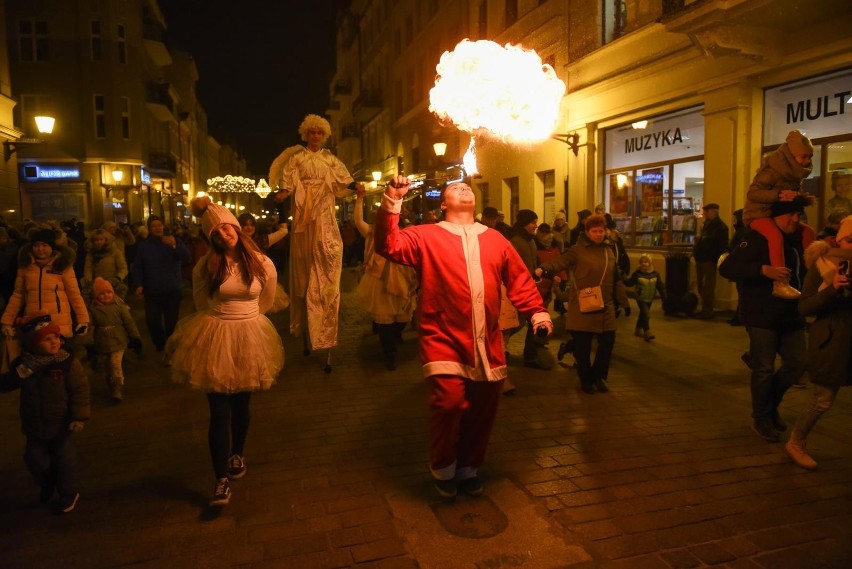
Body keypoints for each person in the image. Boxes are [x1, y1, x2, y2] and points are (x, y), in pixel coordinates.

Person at [375, 176, 552, 499]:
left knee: (483, 409)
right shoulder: (425, 235)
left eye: (467, 188)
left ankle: (469, 466)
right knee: (450, 402)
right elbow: (389, 246)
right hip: (443, 337)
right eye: (454, 189)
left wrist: (537, 313)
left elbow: (519, 280)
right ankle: (443, 466)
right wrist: (393, 200)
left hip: (488, 342)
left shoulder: (496, 239)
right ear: (443, 204)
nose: (463, 189)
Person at [166, 197, 284, 506]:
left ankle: (237, 453)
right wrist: (222, 320)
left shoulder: (261, 262)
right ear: (210, 237)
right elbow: (200, 300)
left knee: (242, 403)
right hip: (217, 333)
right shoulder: (208, 264)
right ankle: (220, 478)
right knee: (218, 410)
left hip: (249, 333)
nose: (222, 233)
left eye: (225, 226)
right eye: (214, 232)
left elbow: (267, 300)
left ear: (235, 226)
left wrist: (247, 320)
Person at [269, 114, 363, 357]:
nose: (315, 137)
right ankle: (305, 322)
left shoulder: (329, 159)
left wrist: (356, 186)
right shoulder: (297, 158)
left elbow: (344, 179)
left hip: (323, 212)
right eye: (311, 133)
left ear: (324, 135)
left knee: (326, 254)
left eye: (319, 133)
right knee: (303, 267)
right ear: (306, 134)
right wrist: (282, 194)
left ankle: (325, 308)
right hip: (303, 217)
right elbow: (287, 183)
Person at [719, 196, 809, 442]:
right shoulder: (755, 238)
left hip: (791, 315)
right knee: (764, 369)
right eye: (789, 214)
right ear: (775, 216)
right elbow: (727, 268)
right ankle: (761, 418)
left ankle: (770, 406)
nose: (794, 219)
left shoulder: (796, 239)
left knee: (798, 363)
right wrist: (762, 270)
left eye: (797, 214)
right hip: (761, 315)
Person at [0, 313, 89, 513]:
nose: (54, 342)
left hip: (61, 424)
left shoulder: (66, 363)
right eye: (46, 339)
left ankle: (68, 494)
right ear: (32, 343)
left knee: (64, 461)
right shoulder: (25, 365)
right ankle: (47, 482)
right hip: (34, 424)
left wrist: (78, 416)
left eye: (56, 337)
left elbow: (80, 389)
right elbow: (8, 383)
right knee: (34, 458)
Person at [536, 214, 631, 394]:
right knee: (583, 347)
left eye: (601, 231)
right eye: (594, 231)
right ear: (587, 232)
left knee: (607, 343)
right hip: (583, 305)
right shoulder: (577, 250)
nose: (598, 234)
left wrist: (624, 302)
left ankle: (599, 376)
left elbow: (616, 278)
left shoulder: (609, 250)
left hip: (606, 307)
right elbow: (560, 261)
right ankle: (585, 378)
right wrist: (544, 268)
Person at [787, 216, 852, 469]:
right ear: (839, 239)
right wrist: (833, 288)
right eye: (849, 240)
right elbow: (805, 306)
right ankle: (796, 442)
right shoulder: (822, 265)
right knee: (823, 399)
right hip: (832, 341)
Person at [744, 129, 816, 299]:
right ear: (791, 155)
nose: (807, 161)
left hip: (775, 213)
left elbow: (791, 195)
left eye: (809, 157)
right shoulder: (772, 171)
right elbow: (753, 193)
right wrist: (778, 195)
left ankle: (811, 276)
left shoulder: (793, 174)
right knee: (775, 237)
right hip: (758, 213)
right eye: (803, 157)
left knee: (808, 232)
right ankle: (780, 283)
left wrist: (803, 199)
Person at [352, 186, 418, 370]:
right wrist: (359, 198)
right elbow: (358, 221)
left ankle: (394, 337)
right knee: (385, 319)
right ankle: (390, 352)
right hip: (379, 280)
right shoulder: (373, 232)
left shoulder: (408, 233)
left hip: (403, 278)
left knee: (403, 318)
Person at [1, 226, 89, 357]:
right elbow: (18, 295)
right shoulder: (25, 267)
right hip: (34, 323)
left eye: (44, 245)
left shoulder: (62, 265)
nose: (40, 249)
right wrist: (6, 321)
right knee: (35, 363)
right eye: (36, 245)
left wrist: (83, 320)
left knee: (59, 363)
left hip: (58, 322)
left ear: (52, 247)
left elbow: (74, 295)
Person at [130, 216, 191, 354]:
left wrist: (175, 246)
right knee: (152, 321)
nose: (157, 228)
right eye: (154, 226)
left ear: (164, 226)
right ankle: (160, 345)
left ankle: (170, 348)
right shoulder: (144, 247)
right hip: (152, 291)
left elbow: (187, 258)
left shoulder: (174, 241)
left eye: (159, 225)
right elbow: (138, 267)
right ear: (149, 229)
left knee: (171, 322)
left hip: (172, 289)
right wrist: (138, 284)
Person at [509, 209, 551, 370]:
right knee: (517, 324)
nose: (536, 225)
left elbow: (535, 262)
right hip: (518, 289)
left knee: (533, 321)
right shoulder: (515, 241)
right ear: (525, 223)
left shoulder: (531, 241)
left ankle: (531, 357)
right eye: (533, 222)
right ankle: (496, 343)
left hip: (531, 288)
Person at [88, 277, 141, 403]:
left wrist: (135, 337)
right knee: (107, 366)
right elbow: (90, 327)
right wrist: (89, 343)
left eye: (108, 292)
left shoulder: (119, 306)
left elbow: (129, 323)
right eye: (102, 294)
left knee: (115, 363)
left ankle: (117, 388)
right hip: (102, 341)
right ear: (96, 296)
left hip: (118, 340)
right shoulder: (92, 309)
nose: (106, 295)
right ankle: (111, 386)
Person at [692, 203, 730, 319]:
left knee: (708, 286)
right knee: (701, 285)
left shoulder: (720, 227)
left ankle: (707, 310)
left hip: (709, 260)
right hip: (701, 258)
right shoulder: (706, 225)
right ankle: (705, 308)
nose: (704, 214)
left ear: (713, 212)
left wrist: (714, 257)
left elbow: (721, 246)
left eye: (706, 211)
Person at [623, 253, 666, 341]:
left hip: (650, 298)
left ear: (650, 263)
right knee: (646, 314)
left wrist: (664, 298)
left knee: (643, 314)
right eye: (642, 262)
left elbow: (660, 286)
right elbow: (630, 283)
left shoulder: (655, 274)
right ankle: (647, 331)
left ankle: (638, 330)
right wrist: (622, 278)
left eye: (646, 262)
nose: (644, 264)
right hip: (641, 298)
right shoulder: (637, 274)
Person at [82, 228, 129, 299]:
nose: (99, 242)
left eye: (101, 239)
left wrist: (117, 278)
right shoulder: (91, 254)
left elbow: (123, 268)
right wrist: (89, 282)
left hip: (113, 284)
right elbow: (88, 268)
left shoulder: (115, 252)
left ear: (106, 240)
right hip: (97, 284)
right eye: (96, 240)